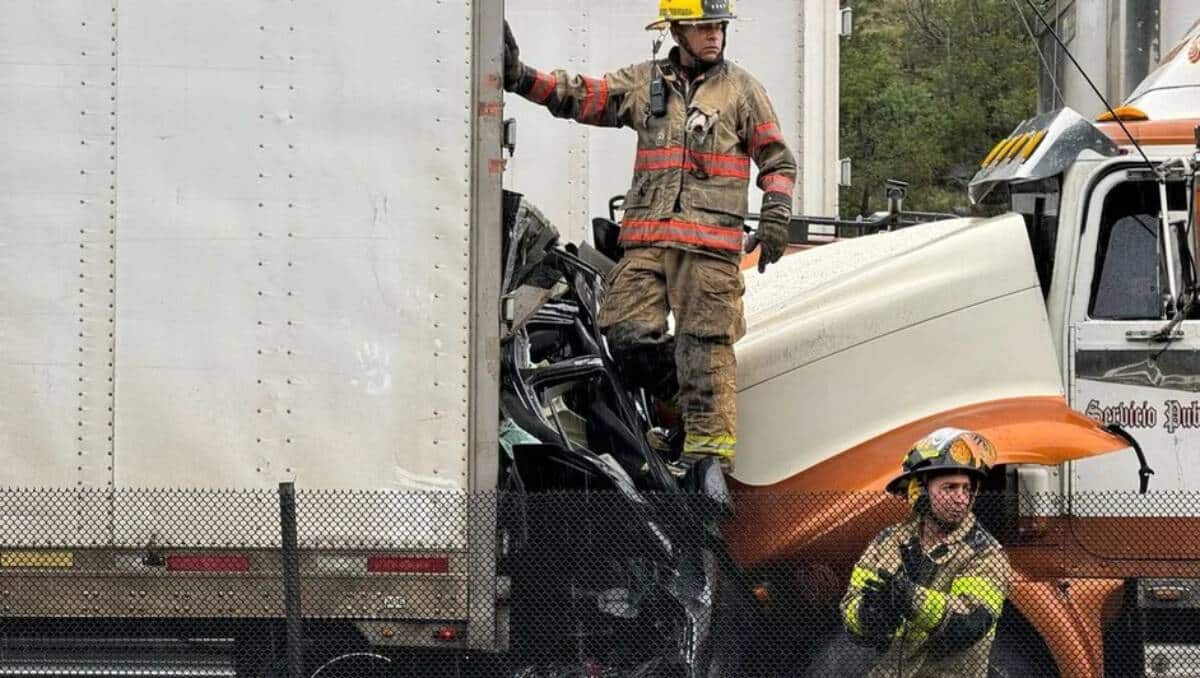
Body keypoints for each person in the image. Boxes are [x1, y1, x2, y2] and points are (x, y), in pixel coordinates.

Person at [502, 0, 796, 470]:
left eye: (719, 27)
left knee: (704, 347)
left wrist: (776, 215)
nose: (714, 36)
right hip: (648, 243)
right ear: (676, 30)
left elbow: (777, 160)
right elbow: (584, 96)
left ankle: (707, 470)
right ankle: (680, 413)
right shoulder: (645, 83)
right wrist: (521, 78)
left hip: (709, 250)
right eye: (702, 28)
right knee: (625, 337)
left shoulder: (742, 90)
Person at [839, 427, 1013, 677]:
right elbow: (850, 606)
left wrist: (910, 598)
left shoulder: (986, 554)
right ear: (919, 490)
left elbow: (968, 623)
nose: (961, 499)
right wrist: (868, 614)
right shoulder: (887, 542)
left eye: (966, 489)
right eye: (950, 488)